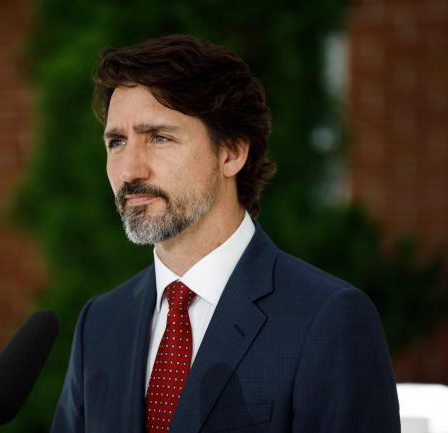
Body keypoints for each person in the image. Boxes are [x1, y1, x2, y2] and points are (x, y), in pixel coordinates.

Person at [51, 34, 400, 433]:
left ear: (231, 152)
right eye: (117, 142)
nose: (130, 170)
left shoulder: (327, 319)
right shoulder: (100, 323)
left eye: (159, 138)